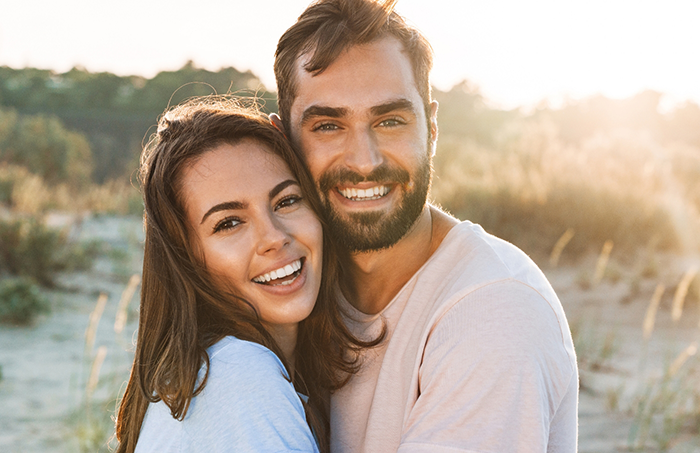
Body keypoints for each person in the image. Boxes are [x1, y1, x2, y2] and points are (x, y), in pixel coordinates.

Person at [271, 0, 579, 451]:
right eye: (328, 126)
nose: (365, 161)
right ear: (284, 142)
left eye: (390, 120)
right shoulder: (293, 287)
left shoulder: (494, 313)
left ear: (431, 128)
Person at [114, 99, 379, 453]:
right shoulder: (238, 376)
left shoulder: (209, 373)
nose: (273, 237)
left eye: (286, 201)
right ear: (187, 259)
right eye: (229, 223)